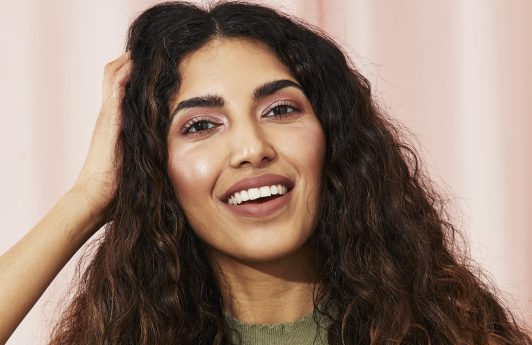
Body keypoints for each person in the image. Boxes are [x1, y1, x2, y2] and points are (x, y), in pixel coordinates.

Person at [1, 1, 530, 344]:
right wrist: (88, 197)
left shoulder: (458, 334)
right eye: (201, 125)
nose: (251, 148)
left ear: (333, 138)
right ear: (153, 168)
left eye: (281, 110)